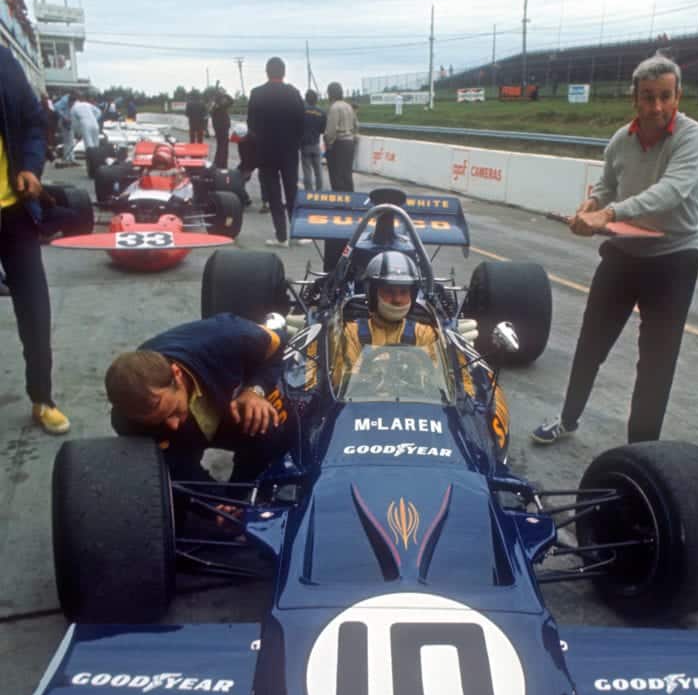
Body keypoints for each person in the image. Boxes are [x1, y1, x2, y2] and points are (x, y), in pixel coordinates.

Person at [532, 53, 698, 446]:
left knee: (656, 363)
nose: (656, 106)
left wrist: (609, 211)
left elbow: (671, 192)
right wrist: (590, 206)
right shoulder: (620, 139)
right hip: (624, 253)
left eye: (665, 96)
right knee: (590, 342)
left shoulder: (692, 136)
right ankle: (568, 418)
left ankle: (641, 453)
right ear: (635, 99)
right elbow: (607, 185)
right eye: (648, 97)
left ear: (677, 96)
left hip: (674, 259)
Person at [105, 314, 290, 483]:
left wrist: (255, 390)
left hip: (228, 403)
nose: (174, 425)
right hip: (186, 439)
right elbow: (175, 469)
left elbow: (280, 344)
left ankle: (247, 486)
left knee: (268, 426)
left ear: (176, 374)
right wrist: (215, 500)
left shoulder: (230, 337)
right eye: (157, 421)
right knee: (168, 485)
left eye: (172, 412)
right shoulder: (126, 421)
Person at [0, 46, 70, 434]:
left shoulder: (5, 62)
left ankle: (42, 399)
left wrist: (29, 165)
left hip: (13, 212)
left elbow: (32, 120)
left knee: (36, 314)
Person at [332, 251, 438, 387]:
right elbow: (344, 383)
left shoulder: (426, 334)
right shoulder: (352, 333)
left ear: (412, 294)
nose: (397, 299)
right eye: (389, 291)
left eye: (403, 292)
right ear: (373, 294)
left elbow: (436, 382)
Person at [247, 57, 304, 247]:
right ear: (284, 72)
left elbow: (251, 125)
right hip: (289, 151)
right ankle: (297, 234)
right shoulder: (294, 94)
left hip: (266, 152)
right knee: (292, 191)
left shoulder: (257, 94)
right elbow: (301, 123)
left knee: (274, 194)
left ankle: (281, 237)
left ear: (267, 72)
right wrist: (294, 142)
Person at [324, 82, 358, 191]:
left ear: (331, 94)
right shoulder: (348, 106)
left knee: (336, 177)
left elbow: (331, 130)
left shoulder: (334, 108)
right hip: (350, 143)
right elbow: (356, 125)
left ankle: (339, 202)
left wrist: (329, 143)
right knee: (347, 175)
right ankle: (350, 201)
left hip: (338, 144)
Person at [301, 89, 326, 192]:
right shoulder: (322, 112)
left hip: (304, 145)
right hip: (316, 144)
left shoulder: (301, 111)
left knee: (307, 170)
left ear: (306, 99)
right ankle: (319, 191)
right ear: (316, 100)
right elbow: (323, 130)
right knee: (318, 170)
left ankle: (309, 192)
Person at [210, 91, 233, 169]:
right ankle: (222, 164)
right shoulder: (222, 106)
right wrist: (224, 94)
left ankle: (218, 162)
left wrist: (220, 96)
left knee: (220, 146)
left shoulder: (214, 106)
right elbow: (231, 100)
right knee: (224, 147)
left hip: (218, 128)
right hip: (223, 127)